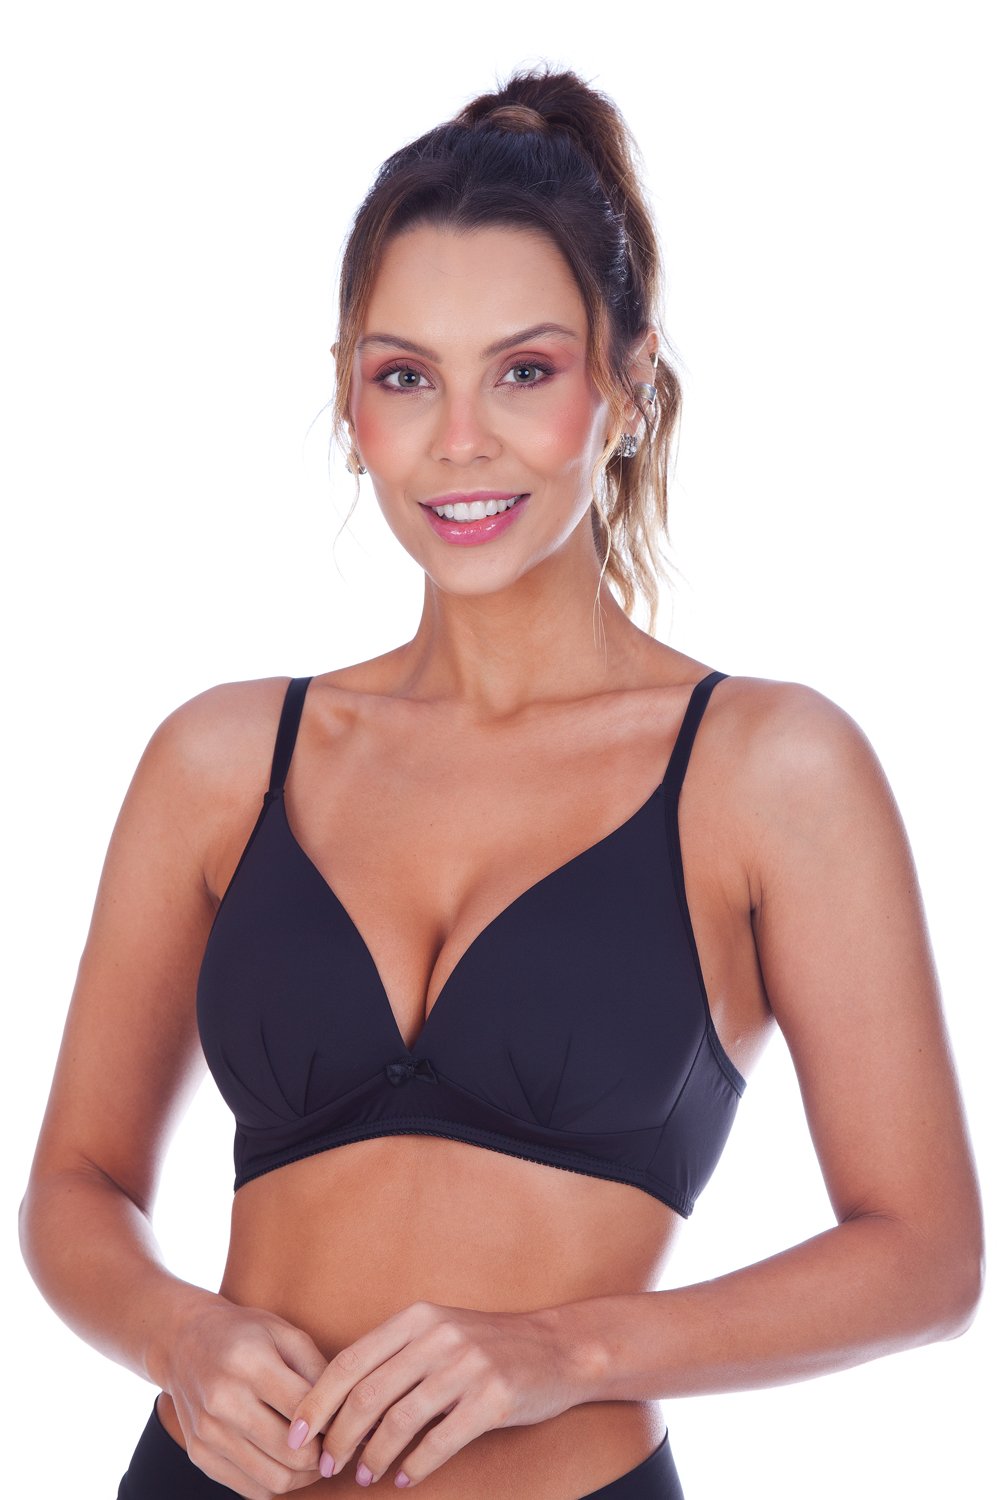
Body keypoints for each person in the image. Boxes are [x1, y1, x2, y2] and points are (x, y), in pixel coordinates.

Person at [19, 64, 983, 1500]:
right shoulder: (221, 760)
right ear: (349, 398)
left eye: (524, 371)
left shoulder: (769, 771)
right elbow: (73, 1188)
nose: (459, 439)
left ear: (628, 384)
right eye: (405, 376)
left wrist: (564, 1351)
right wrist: (180, 1335)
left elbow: (927, 1257)